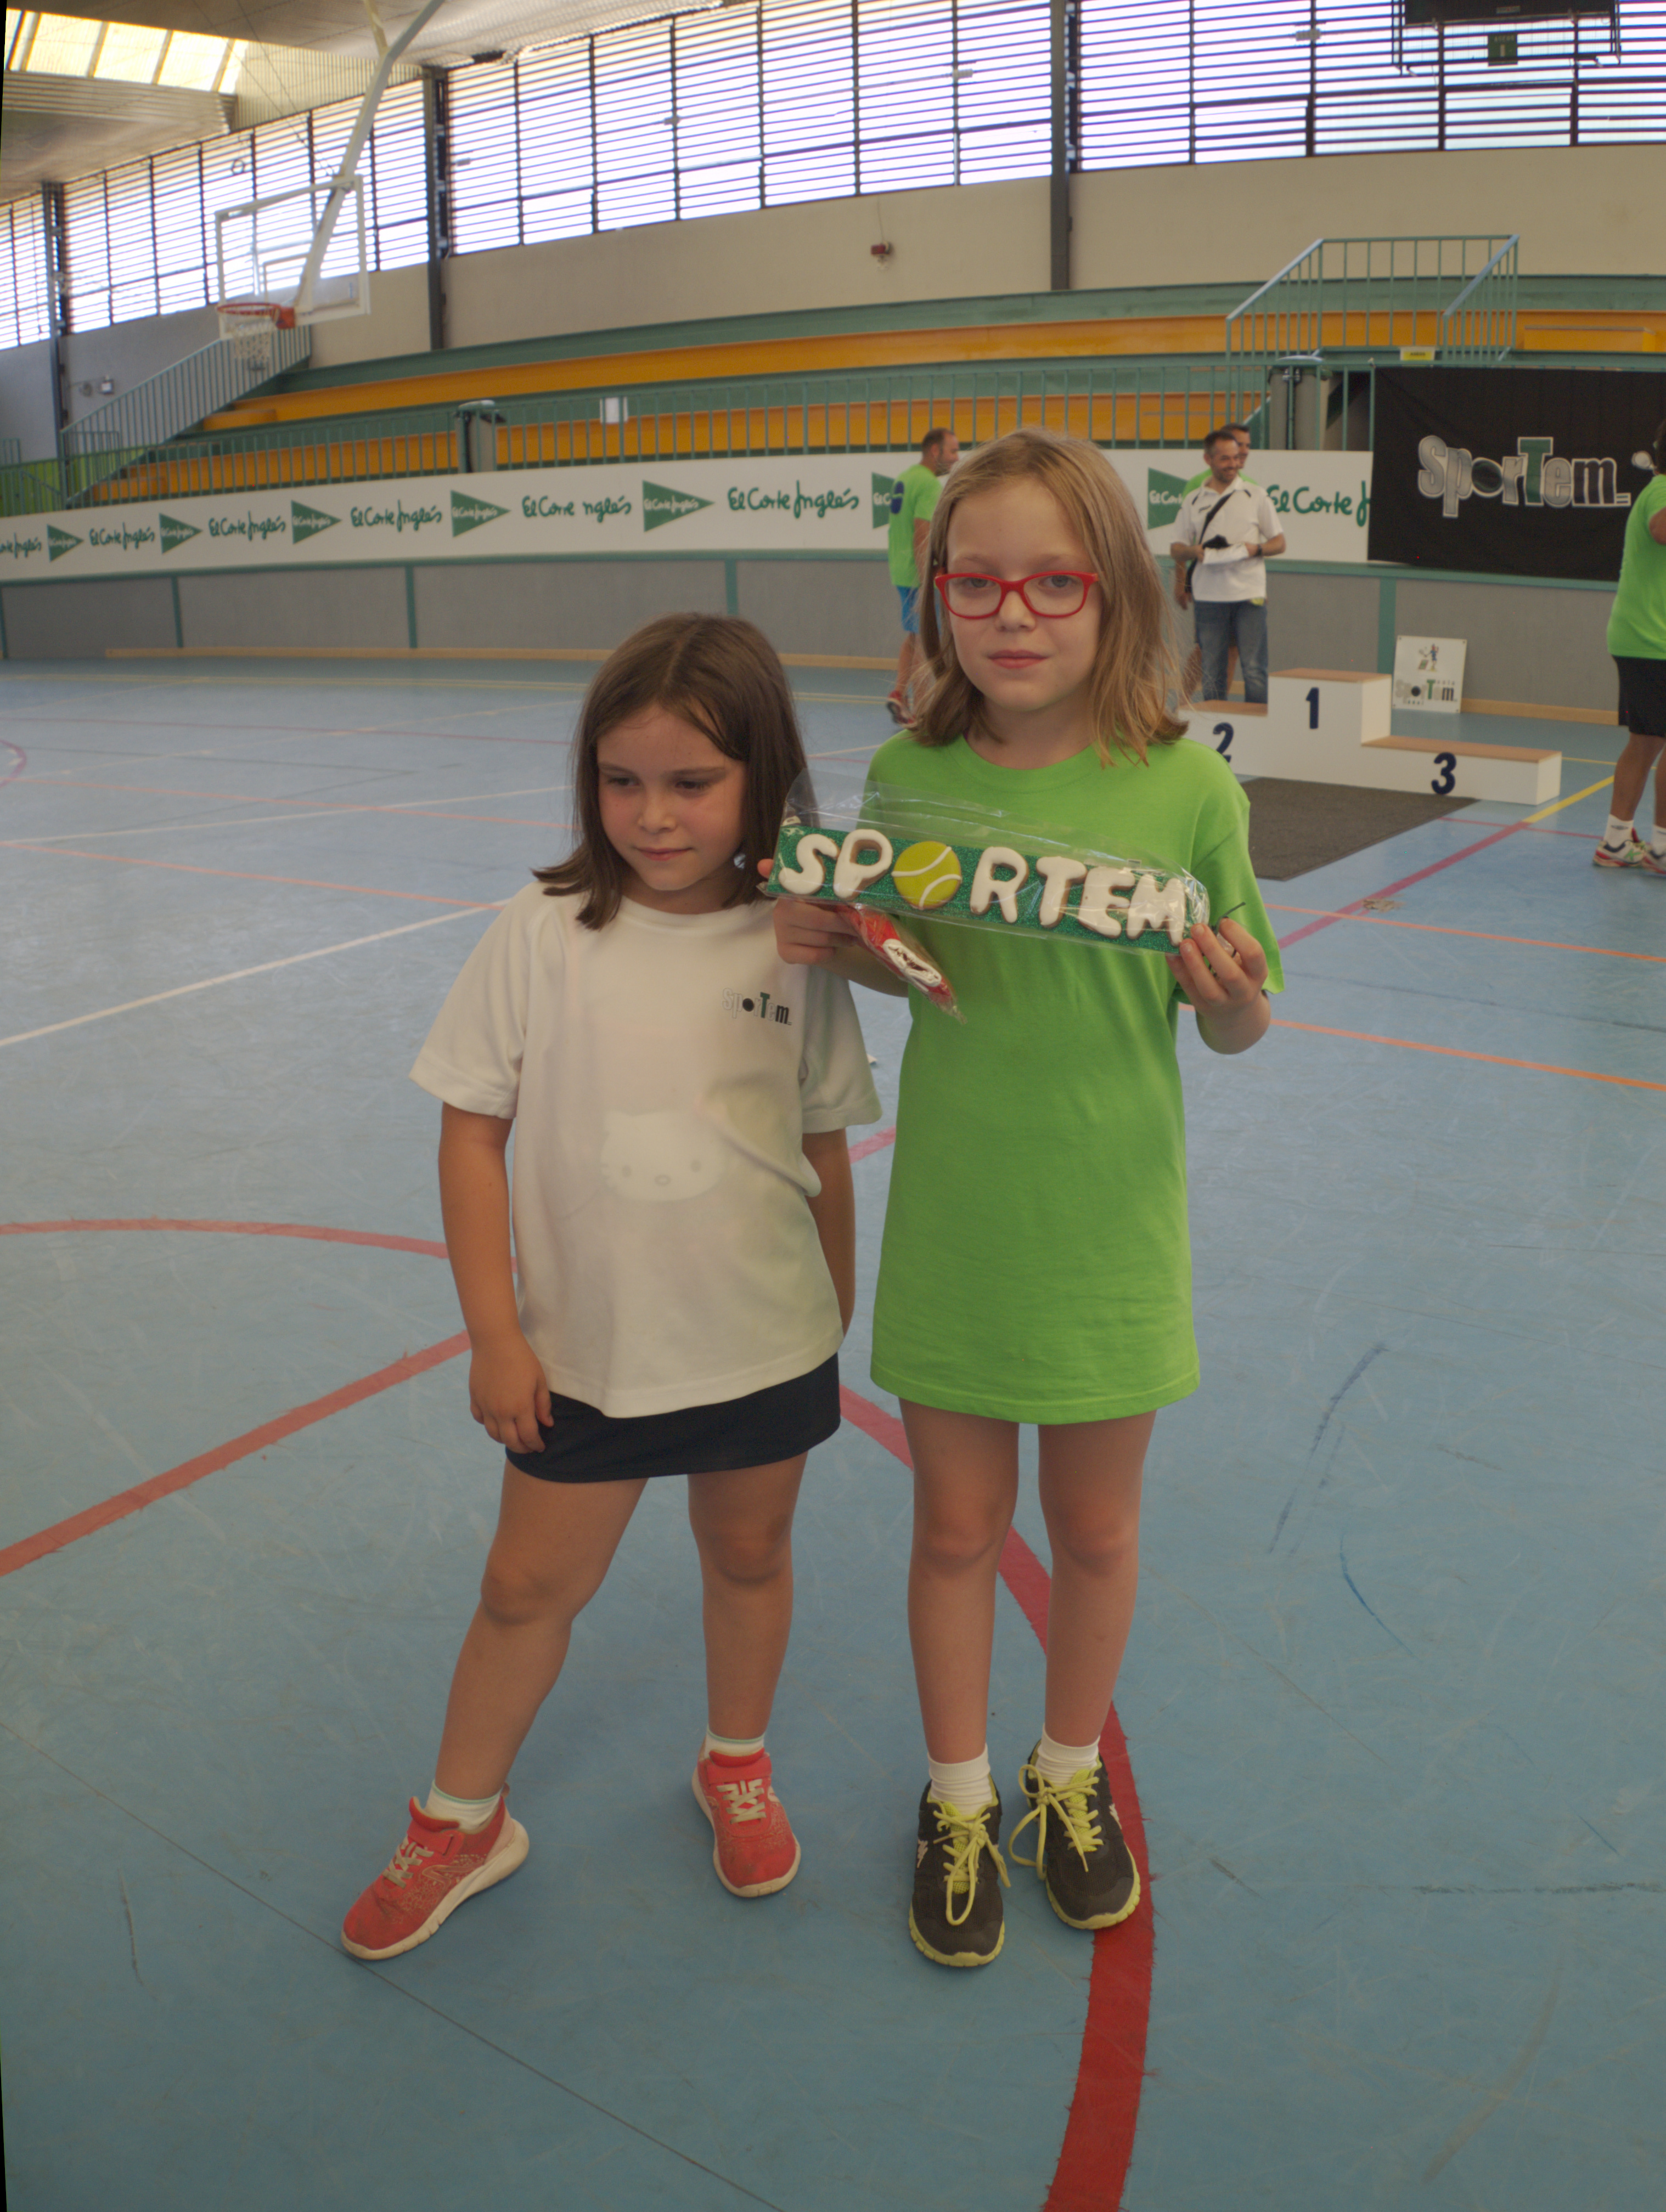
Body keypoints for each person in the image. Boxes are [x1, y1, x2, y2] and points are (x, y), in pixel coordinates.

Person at [770, 428, 1283, 1967]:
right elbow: (918, 969)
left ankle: (1068, 1775)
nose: (1012, 614)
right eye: (975, 582)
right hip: (960, 1220)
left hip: (1110, 1228)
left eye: (1053, 582)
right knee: (952, 1530)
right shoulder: (906, 779)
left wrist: (1233, 998)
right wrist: (845, 941)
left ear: (1116, 593)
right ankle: (958, 1794)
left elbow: (1237, 1020)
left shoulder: (1186, 789)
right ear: (934, 595)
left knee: (1098, 1531)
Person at [341, 614, 880, 1963]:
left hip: (764, 1339)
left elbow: (821, 1139)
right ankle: (461, 1819)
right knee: (525, 1587)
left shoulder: (798, 943)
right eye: (621, 780)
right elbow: (471, 1131)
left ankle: (735, 1762)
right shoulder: (541, 932)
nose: (652, 815)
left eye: (691, 783)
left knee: (748, 1556)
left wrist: (831, 1300)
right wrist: (495, 1333)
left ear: (763, 779)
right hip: (584, 1355)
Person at [1595, 416, 1666, 874]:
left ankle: (1616, 843)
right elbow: (1662, 529)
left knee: (1645, 741)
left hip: (1644, 638)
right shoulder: (1662, 490)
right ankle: (1662, 850)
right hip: (1650, 641)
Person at [1171, 427, 1284, 703]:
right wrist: (1194, 551)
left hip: (1249, 595)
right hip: (1209, 597)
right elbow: (1176, 549)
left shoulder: (1256, 495)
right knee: (1212, 670)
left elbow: (1280, 543)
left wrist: (1256, 549)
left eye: (1236, 458)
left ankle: (1256, 723)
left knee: (1255, 670)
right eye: (1225, 459)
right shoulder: (1194, 500)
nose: (1233, 464)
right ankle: (1213, 723)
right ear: (1208, 460)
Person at [887, 426, 960, 724]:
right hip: (917, 576)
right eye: (952, 451)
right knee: (926, 641)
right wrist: (927, 581)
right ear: (935, 451)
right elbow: (922, 533)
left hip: (900, 570)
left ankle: (898, 693)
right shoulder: (929, 485)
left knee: (914, 635)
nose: (957, 458)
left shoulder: (905, 478)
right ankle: (921, 711)